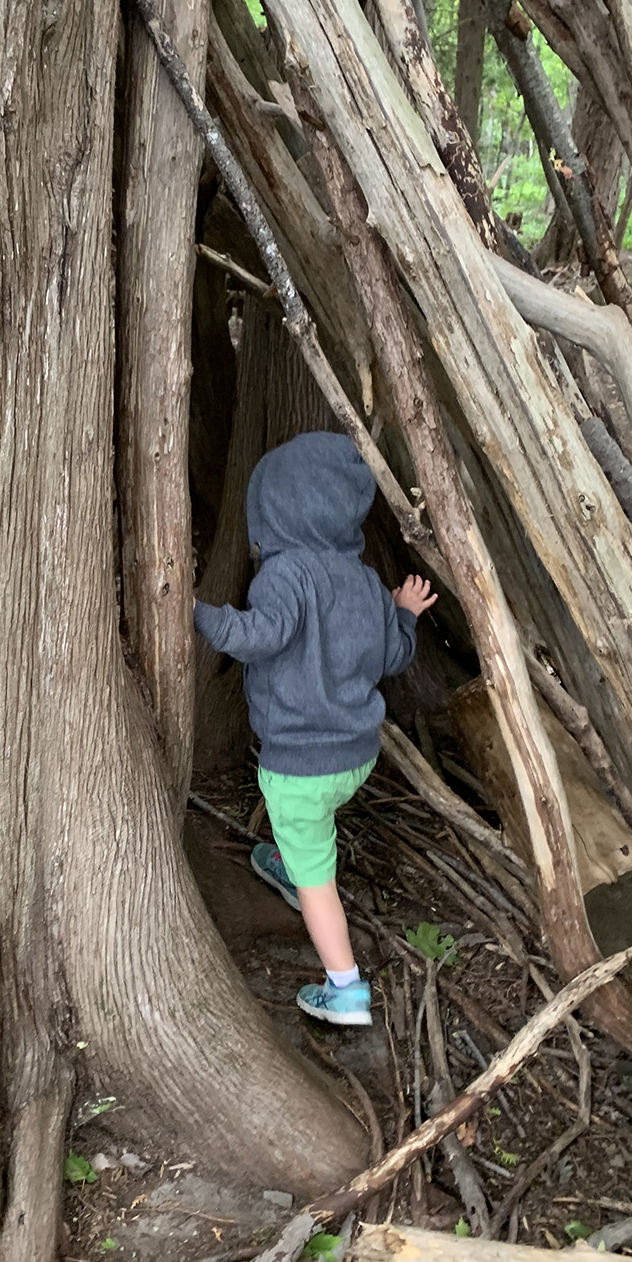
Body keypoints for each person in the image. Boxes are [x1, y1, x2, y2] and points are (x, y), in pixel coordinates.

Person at [194, 431, 437, 1027]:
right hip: (356, 757)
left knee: (318, 881)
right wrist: (404, 614)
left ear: (276, 509)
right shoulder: (365, 583)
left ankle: (345, 988)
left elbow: (258, 637)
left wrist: (191, 608)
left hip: (300, 767)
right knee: (308, 829)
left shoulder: (284, 575)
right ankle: (289, 860)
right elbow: (392, 658)